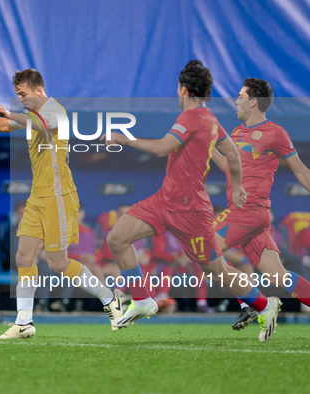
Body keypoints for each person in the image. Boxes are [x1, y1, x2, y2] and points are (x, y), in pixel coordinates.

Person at [103, 61, 280, 342]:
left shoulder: (192, 117)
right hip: (165, 201)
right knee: (117, 238)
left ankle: (263, 304)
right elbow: (232, 156)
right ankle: (142, 300)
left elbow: (163, 148)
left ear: (183, 90)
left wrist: (125, 139)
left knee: (218, 270)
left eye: (177, 88)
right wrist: (236, 187)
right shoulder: (209, 119)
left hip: (191, 212)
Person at [0, 69, 123, 339]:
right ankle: (24, 322)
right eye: (17, 96)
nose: (20, 99)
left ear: (38, 91)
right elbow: (8, 124)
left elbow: (40, 125)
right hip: (38, 196)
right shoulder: (29, 115)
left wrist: (11, 114)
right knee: (24, 256)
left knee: (59, 264)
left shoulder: (55, 110)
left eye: (23, 95)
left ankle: (110, 299)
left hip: (59, 196)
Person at [211, 78, 310, 332]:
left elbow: (300, 171)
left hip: (247, 211)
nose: (236, 101)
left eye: (240, 96)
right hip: (253, 216)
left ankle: (254, 304)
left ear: (253, 101)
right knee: (279, 276)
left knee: (203, 250)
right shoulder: (236, 132)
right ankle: (256, 303)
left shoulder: (275, 133)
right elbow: (230, 170)